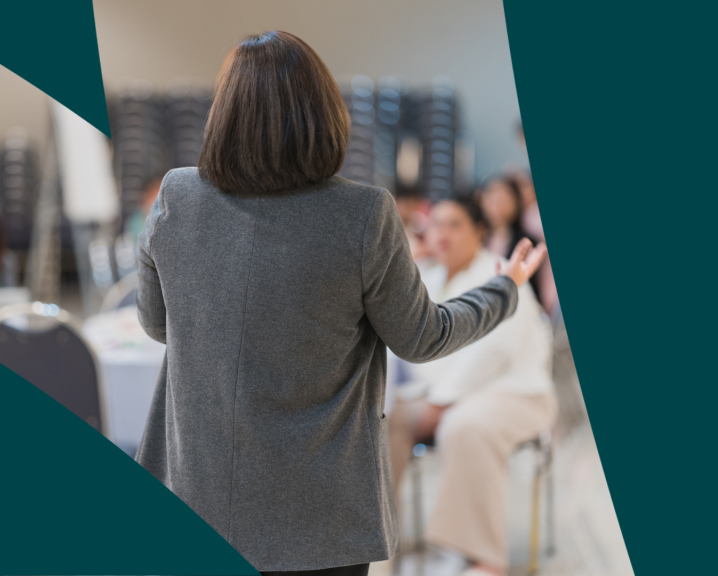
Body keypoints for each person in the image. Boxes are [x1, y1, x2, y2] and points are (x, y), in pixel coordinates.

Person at [133, 31, 547, 576]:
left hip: (199, 494)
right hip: (320, 517)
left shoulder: (177, 197)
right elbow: (424, 335)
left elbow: (158, 324)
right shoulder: (362, 215)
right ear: (322, 113)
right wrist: (505, 287)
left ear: (223, 114)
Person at [388, 197, 556, 576]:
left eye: (455, 225)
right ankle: (377, 545)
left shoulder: (498, 273)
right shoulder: (424, 277)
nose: (443, 234)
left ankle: (485, 560)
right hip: (435, 395)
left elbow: (493, 350)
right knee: (379, 417)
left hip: (514, 393)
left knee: (466, 425)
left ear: (480, 232)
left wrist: (441, 403)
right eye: (437, 225)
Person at [478, 176, 540, 298]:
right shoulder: (475, 238)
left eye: (503, 199)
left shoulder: (527, 242)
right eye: (492, 197)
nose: (497, 204)